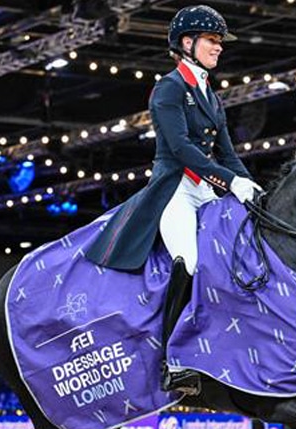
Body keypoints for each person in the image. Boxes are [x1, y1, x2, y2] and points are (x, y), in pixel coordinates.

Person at [84, 5, 260, 397]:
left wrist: (251, 186)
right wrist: (231, 181)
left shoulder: (211, 97)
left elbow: (227, 154)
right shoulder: (169, 88)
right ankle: (171, 359)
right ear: (188, 43)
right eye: (212, 41)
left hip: (207, 188)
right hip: (175, 189)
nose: (219, 48)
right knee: (191, 259)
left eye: (218, 42)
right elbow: (180, 148)